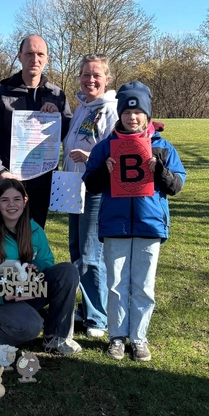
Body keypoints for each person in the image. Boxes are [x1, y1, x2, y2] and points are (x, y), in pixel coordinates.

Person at [83, 81, 186, 362]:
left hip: (149, 224)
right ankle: (117, 337)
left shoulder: (162, 147)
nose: (132, 117)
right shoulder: (106, 147)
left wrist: (161, 172)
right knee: (116, 284)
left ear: (147, 114)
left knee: (143, 285)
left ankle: (139, 338)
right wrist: (104, 172)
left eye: (138, 111)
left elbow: (177, 185)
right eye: (127, 111)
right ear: (119, 114)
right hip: (115, 224)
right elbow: (90, 183)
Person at [0, 178, 83, 355]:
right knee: (31, 327)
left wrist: (35, 267)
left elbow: (47, 261)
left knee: (68, 271)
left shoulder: (35, 231)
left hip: (27, 289)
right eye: (5, 200)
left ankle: (56, 337)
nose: (12, 204)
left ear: (25, 201)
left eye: (17, 199)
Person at [0, 35, 72, 228]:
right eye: (29, 53)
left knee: (35, 239)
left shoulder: (57, 95)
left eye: (40, 54)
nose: (35, 59)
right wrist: (1, 174)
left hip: (43, 184)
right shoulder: (1, 94)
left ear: (47, 58)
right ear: (19, 56)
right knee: (5, 241)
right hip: (11, 183)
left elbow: (68, 136)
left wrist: (58, 119)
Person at [62, 54, 118, 338]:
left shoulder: (110, 109)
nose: (90, 80)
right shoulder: (82, 108)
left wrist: (90, 156)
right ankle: (86, 307)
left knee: (90, 253)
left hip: (94, 188)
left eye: (96, 75)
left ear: (107, 79)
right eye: (86, 74)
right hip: (72, 184)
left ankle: (97, 317)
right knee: (76, 249)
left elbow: (116, 148)